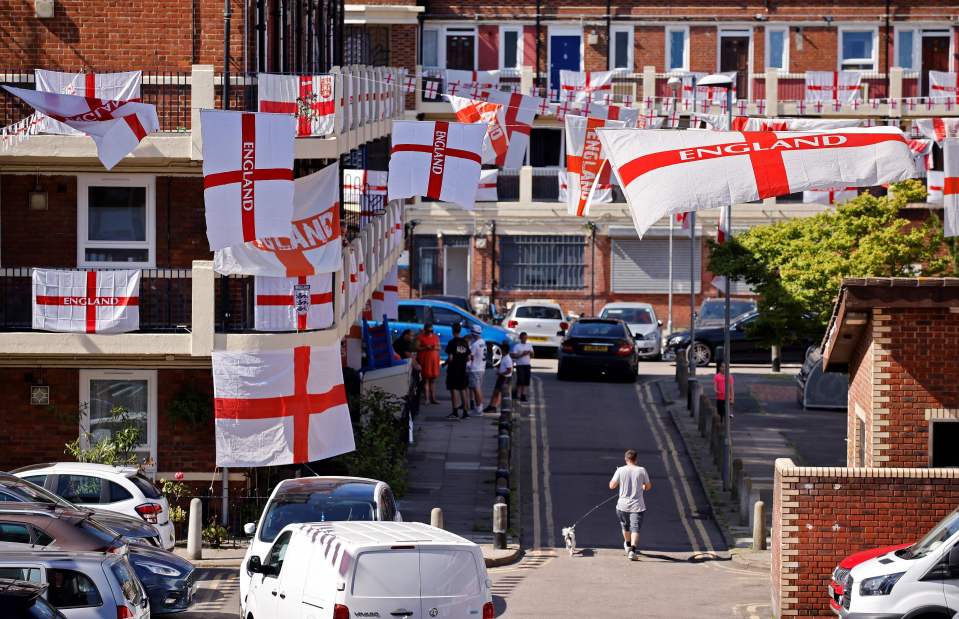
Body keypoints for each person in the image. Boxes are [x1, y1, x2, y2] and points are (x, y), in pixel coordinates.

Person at [609, 448, 652, 561]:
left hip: (622, 505)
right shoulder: (642, 470)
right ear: (636, 459)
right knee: (635, 529)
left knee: (625, 526)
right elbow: (648, 487)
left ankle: (627, 544)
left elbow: (612, 486)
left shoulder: (620, 470)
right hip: (637, 506)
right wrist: (642, 487)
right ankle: (633, 550)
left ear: (626, 459)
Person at [444, 322, 471, 420]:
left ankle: (455, 412)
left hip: (453, 370)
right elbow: (468, 358)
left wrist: (445, 364)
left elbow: (450, 358)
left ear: (452, 331)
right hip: (462, 370)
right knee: (463, 390)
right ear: (460, 330)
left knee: (454, 390)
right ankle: (465, 412)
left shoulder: (452, 343)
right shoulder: (465, 342)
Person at [416, 323, 441, 404]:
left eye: (431, 330)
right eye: (429, 330)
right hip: (425, 360)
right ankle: (427, 399)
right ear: (425, 330)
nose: (430, 332)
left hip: (433, 361)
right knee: (426, 380)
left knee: (433, 380)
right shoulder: (420, 337)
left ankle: (433, 398)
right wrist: (426, 347)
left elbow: (439, 347)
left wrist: (434, 347)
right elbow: (417, 348)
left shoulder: (435, 337)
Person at [467, 324, 487, 415]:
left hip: (475, 369)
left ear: (473, 334)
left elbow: (469, 357)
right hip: (481, 368)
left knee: (476, 389)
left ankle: (479, 409)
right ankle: (479, 407)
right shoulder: (483, 342)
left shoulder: (475, 345)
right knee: (478, 389)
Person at [511, 332, 534, 402]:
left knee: (526, 381)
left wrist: (531, 353)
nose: (525, 339)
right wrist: (522, 354)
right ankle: (518, 394)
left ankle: (522, 394)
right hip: (520, 365)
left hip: (527, 365)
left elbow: (532, 356)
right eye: (523, 338)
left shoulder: (529, 345)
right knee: (521, 380)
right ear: (520, 338)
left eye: (526, 337)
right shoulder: (517, 346)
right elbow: (514, 356)